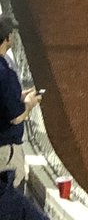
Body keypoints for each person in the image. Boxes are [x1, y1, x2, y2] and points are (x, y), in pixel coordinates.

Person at [0, 15, 43, 190]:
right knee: (11, 198)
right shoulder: (4, 72)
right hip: (5, 151)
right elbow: (16, 117)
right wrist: (30, 104)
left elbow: (5, 99)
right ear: (8, 38)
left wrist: (23, 95)